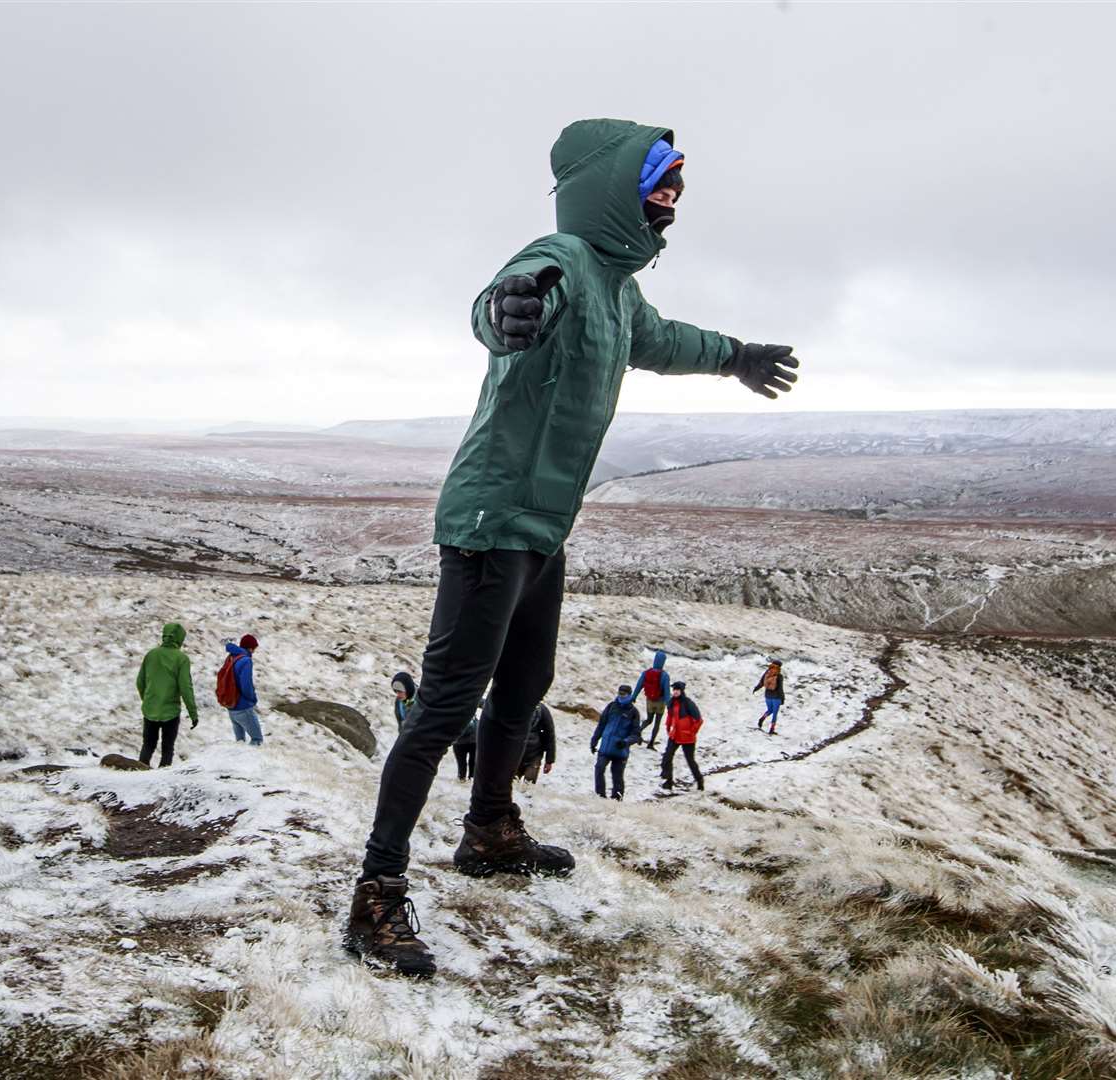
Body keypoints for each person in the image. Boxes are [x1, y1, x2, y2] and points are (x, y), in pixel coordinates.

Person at [342, 118, 801, 979]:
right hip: (491, 521)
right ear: (612, 187)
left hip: (543, 527)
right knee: (445, 707)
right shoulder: (557, 257)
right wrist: (506, 313)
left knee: (523, 687)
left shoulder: (620, 294)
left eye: (677, 188)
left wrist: (736, 355)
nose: (670, 200)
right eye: (657, 181)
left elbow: (666, 343)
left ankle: (488, 830)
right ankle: (376, 891)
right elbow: (511, 296)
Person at [135, 622, 198, 768]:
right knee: (167, 748)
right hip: (170, 711)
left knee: (148, 745)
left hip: (150, 709)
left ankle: (139, 772)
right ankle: (163, 777)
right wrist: (193, 713)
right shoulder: (181, 659)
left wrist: (148, 699)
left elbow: (140, 681)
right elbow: (185, 688)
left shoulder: (151, 655)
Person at [590, 685, 642, 800]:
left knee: (617, 776)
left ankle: (617, 799)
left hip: (620, 751)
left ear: (629, 695)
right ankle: (600, 796)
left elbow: (636, 735)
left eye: (624, 694)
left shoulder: (633, 712)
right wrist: (594, 740)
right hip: (605, 748)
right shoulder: (611, 707)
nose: (621, 696)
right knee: (599, 769)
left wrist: (626, 742)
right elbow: (601, 725)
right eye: (620, 693)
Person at [660, 681, 705, 792]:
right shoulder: (671, 702)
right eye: (674, 690)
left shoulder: (688, 703)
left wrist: (692, 732)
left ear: (682, 691)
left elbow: (699, 720)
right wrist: (668, 727)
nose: (675, 692)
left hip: (687, 737)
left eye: (677, 690)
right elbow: (670, 716)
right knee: (667, 757)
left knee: (690, 760)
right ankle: (668, 781)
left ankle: (700, 781)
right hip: (675, 735)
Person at [222, 635, 263, 746]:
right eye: (254, 648)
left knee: (240, 742)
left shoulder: (232, 656)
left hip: (231, 705)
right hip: (243, 706)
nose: (254, 651)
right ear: (250, 648)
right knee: (257, 740)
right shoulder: (245, 661)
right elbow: (246, 685)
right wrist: (252, 699)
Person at [635, 650, 672, 750]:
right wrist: (669, 705)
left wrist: (634, 696)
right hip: (660, 702)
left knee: (649, 719)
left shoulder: (646, 673)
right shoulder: (664, 675)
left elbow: (639, 685)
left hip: (650, 701)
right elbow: (667, 692)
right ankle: (651, 743)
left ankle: (638, 731)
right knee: (657, 723)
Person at [515, 704, 556, 784]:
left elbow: (550, 735)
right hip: (515, 755)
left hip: (534, 756)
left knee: (529, 785)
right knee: (511, 785)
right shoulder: (515, 705)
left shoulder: (542, 711)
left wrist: (549, 761)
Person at [753, 659, 787, 735]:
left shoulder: (767, 673)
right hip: (776, 697)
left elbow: (761, 683)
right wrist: (782, 698)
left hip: (767, 695)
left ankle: (762, 718)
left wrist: (756, 688)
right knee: (774, 713)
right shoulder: (779, 676)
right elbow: (780, 689)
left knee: (769, 710)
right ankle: (771, 729)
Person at [452, 708, 479, 781]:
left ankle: (463, 777)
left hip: (461, 742)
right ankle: (470, 777)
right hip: (470, 741)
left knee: (462, 762)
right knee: (471, 761)